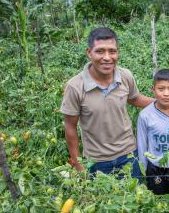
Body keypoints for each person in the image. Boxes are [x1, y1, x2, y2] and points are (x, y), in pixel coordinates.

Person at [60, 27, 153, 177]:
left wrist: (168, 103)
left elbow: (135, 99)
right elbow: (70, 127)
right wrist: (78, 165)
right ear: (89, 53)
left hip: (130, 155)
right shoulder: (75, 86)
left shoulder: (125, 76)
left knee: (136, 197)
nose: (107, 57)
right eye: (100, 51)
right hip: (97, 162)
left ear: (118, 52)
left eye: (112, 51)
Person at [137, 69, 169, 194]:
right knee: (158, 199)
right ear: (153, 90)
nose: (166, 93)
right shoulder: (145, 115)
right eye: (161, 89)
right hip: (155, 167)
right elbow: (142, 145)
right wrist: (143, 170)